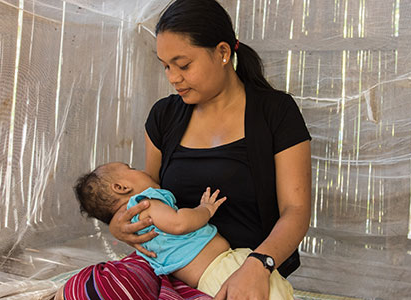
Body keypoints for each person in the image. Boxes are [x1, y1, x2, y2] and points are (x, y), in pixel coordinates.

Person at [107, 0, 313, 299]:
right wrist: (119, 226)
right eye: (165, 66)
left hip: (246, 272)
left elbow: (296, 210)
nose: (173, 78)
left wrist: (259, 264)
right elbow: (144, 196)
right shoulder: (164, 116)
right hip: (170, 270)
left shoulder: (275, 112)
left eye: (184, 65)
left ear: (223, 53)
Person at [67, 162, 294, 298]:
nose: (141, 169)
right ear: (122, 187)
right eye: (131, 168)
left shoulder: (133, 227)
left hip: (206, 282)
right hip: (222, 268)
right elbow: (179, 223)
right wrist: (204, 210)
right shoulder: (145, 204)